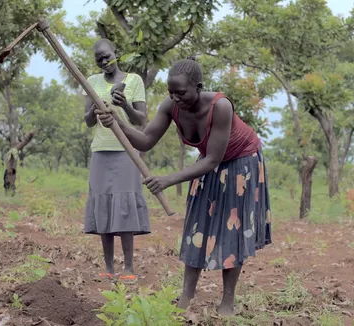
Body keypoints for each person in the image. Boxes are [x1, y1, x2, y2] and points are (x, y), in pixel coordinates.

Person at [95, 57, 272, 315]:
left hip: (240, 161)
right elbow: (144, 141)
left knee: (232, 228)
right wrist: (117, 123)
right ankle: (186, 297)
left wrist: (167, 180)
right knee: (196, 226)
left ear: (198, 87)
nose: (175, 98)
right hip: (209, 161)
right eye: (171, 93)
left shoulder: (221, 107)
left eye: (181, 93)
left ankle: (227, 302)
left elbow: (213, 159)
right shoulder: (171, 106)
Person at [82, 38, 150, 284]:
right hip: (101, 150)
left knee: (124, 207)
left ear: (116, 53)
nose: (103, 61)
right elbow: (89, 121)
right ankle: (108, 266)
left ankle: (129, 266)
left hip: (126, 151)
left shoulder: (133, 81)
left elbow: (140, 120)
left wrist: (125, 106)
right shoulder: (91, 82)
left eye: (106, 56)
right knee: (104, 206)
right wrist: (95, 109)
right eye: (98, 59)